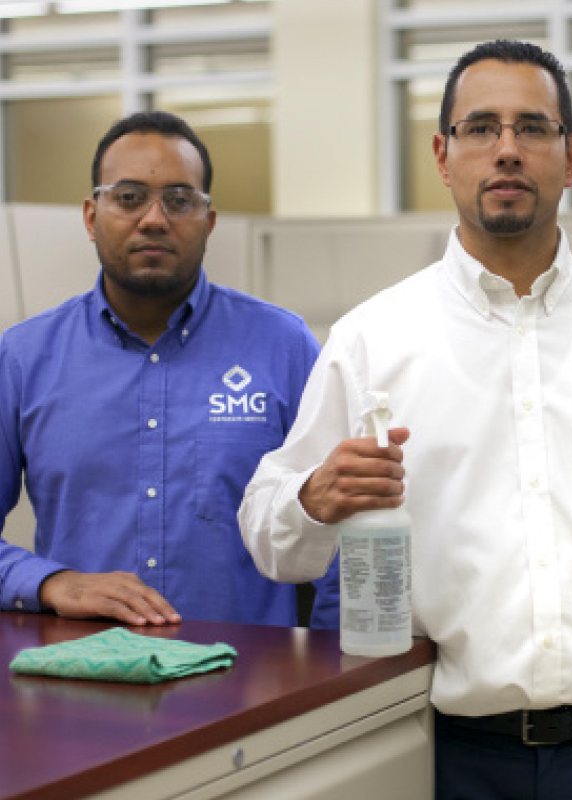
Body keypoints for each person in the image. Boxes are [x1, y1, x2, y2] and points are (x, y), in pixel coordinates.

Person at [239, 40, 572, 799]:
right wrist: (312, 499)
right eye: (480, 128)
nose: (506, 150)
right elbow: (273, 542)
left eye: (532, 127)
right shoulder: (373, 339)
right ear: (443, 153)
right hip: (446, 759)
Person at [0, 110, 338, 630]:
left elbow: (336, 529)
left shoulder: (284, 347)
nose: (154, 219)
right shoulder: (24, 358)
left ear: (208, 221)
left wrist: (335, 679)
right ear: (92, 216)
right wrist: (49, 582)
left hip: (252, 691)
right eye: (129, 197)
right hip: (84, 684)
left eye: (179, 201)